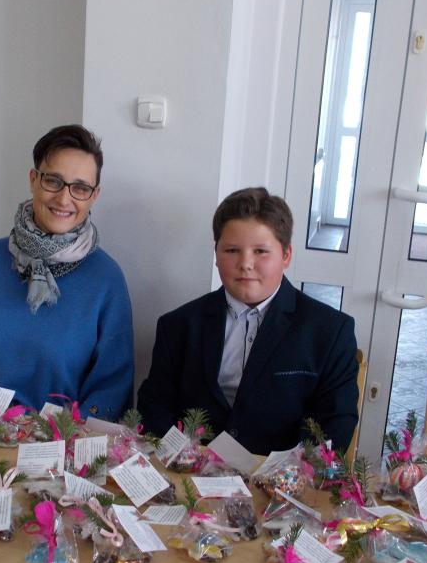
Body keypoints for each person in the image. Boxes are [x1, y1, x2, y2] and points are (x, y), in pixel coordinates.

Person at [137, 187, 358, 454]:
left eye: (261, 251)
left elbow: (335, 424)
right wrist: (187, 457)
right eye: (232, 250)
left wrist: (286, 470)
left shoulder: (330, 331)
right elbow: (155, 408)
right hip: (190, 469)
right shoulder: (178, 326)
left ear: (286, 255)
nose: (246, 264)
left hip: (281, 475)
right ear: (216, 254)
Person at [0, 124, 134, 420]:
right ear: (33, 180)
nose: (64, 199)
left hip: (65, 439)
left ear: (94, 195)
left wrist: (59, 435)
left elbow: (112, 388)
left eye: (80, 188)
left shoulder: (106, 279)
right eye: (53, 181)